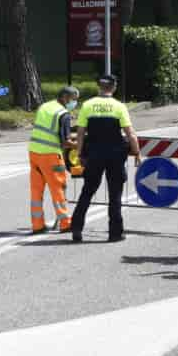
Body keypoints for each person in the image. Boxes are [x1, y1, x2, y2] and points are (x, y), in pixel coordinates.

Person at [69, 74, 139, 242]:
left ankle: (76, 229)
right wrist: (136, 153)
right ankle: (115, 233)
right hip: (115, 155)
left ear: (99, 87)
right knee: (115, 194)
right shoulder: (119, 106)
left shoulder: (87, 105)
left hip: (93, 154)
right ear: (113, 88)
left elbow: (80, 133)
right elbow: (130, 134)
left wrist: (79, 154)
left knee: (87, 191)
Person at [29, 86, 79, 233]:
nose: (75, 103)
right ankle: (65, 223)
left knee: (36, 191)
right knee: (58, 189)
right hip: (50, 156)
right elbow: (65, 142)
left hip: (34, 152)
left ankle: (37, 225)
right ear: (65, 97)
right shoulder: (63, 114)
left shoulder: (45, 106)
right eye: (74, 99)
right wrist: (79, 144)